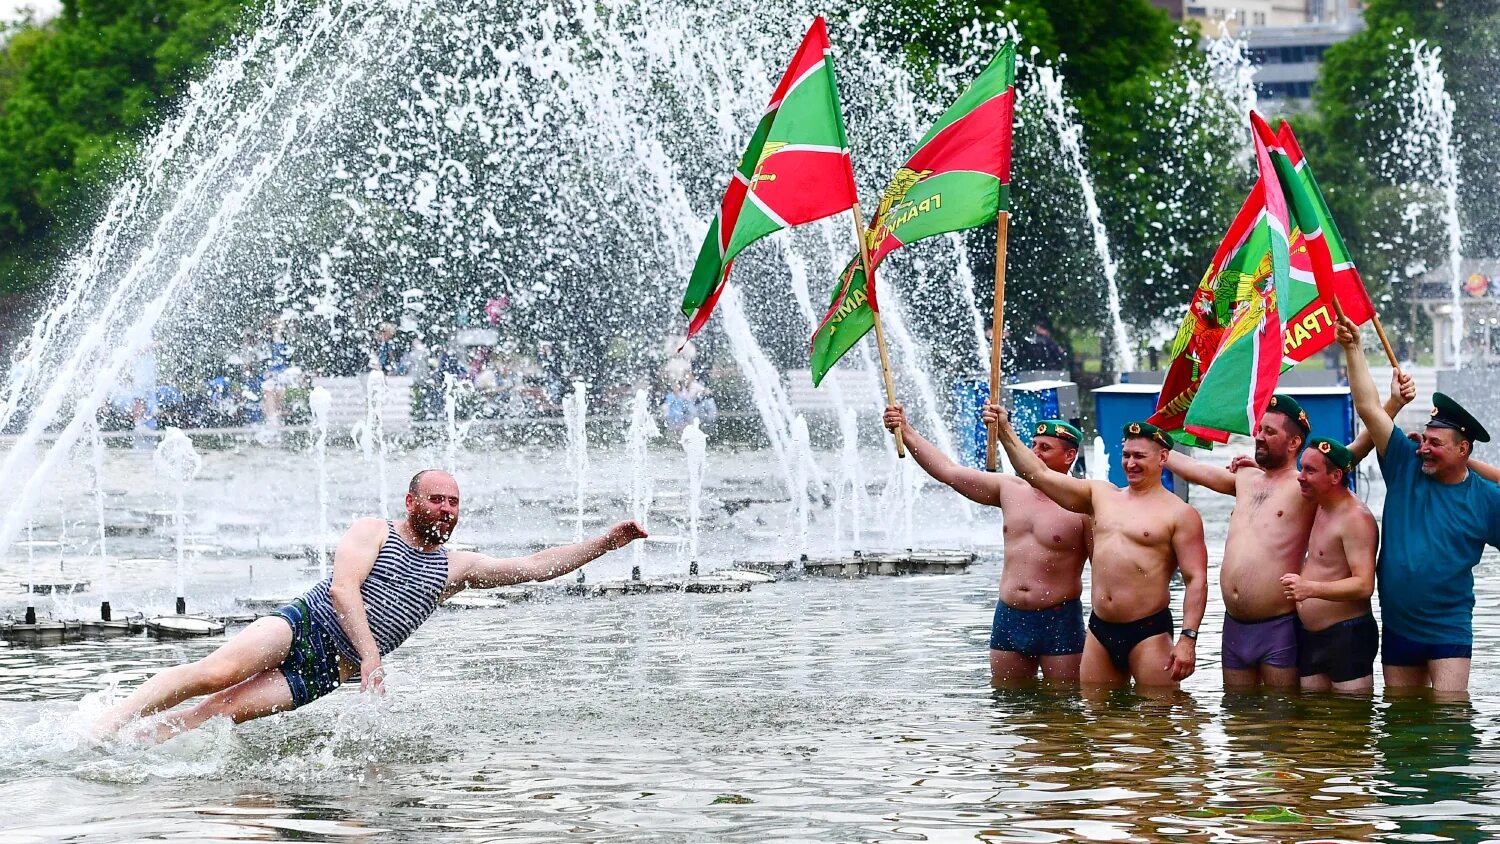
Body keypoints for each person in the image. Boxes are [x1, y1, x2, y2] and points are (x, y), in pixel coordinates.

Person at [95, 470, 647, 742]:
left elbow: (534, 567)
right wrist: (370, 654)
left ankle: (138, 747)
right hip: (302, 626)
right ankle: (108, 724)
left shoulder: (457, 567)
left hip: (327, 671)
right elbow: (342, 590)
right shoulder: (374, 529)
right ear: (412, 502)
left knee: (220, 713)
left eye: (454, 501)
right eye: (437, 498)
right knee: (215, 673)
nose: (447, 508)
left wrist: (605, 543)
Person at [1163, 377, 1412, 689]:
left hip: (1278, 625)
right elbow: (1197, 472)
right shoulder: (1245, 476)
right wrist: (1154, 443)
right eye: (1259, 430)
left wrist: (1394, 404)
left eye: (1270, 432)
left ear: (1294, 443)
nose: (1259, 437)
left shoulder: (1305, 485)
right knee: (1239, 720)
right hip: (1234, 626)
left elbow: (1351, 453)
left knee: (1280, 721)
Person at [989, 404, 1208, 688]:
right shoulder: (1100, 495)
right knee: (1097, 720)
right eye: (1126, 455)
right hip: (1100, 630)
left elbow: (1197, 580)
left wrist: (1187, 639)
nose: (1131, 463)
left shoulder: (1180, 514)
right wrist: (1005, 431)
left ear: (1163, 457)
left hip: (1148, 631)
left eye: (1140, 456)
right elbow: (1039, 475)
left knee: (1157, 722)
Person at [1337, 313, 1500, 693]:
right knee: (1401, 722)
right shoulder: (1403, 462)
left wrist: (1474, 467)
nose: (1423, 447)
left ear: (1463, 449)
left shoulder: (1485, 497)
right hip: (1397, 625)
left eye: (1435, 444)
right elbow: (1368, 408)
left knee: (1449, 718)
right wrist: (1353, 348)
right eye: (1423, 439)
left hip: (1449, 627)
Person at [884, 405, 1091, 684]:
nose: (1034, 453)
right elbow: (948, 472)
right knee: (1007, 707)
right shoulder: (1009, 489)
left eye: (1045, 448)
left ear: (1069, 456)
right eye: (1033, 445)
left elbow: (1102, 569)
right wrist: (906, 431)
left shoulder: (1084, 503)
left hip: (1058, 618)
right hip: (1010, 614)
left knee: (1064, 710)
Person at [1280, 437, 1379, 692]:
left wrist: (1309, 589)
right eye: (1301, 468)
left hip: (1347, 636)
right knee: (1313, 724)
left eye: (1310, 471)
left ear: (1335, 477)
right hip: (1311, 636)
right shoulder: (1319, 504)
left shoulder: (1356, 518)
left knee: (1350, 723)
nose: (1300, 477)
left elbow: (1364, 584)